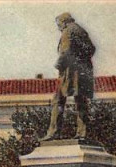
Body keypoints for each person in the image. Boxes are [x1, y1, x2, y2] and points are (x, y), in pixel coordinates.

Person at [41, 13, 95, 141]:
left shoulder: (67, 31)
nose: (58, 27)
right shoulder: (81, 30)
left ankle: (53, 132)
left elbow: (65, 52)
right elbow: (92, 49)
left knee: (58, 100)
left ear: (63, 22)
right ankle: (82, 133)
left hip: (70, 73)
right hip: (84, 72)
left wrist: (58, 65)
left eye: (58, 24)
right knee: (81, 102)